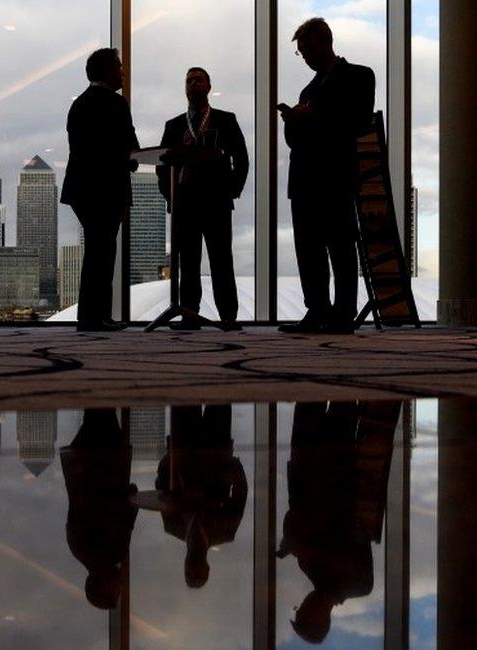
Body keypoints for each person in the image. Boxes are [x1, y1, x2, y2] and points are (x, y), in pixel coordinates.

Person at [279, 18, 375, 334]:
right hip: (304, 179)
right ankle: (317, 309)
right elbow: (295, 141)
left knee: (340, 247)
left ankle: (342, 314)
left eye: (307, 49)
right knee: (308, 251)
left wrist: (311, 115)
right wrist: (291, 122)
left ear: (326, 41)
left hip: (335, 176)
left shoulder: (359, 76)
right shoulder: (308, 89)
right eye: (301, 51)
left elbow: (359, 122)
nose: (304, 56)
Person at [277, 401, 398, 643]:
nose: (301, 605)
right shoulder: (358, 584)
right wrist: (299, 543)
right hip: (336, 470)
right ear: (316, 617)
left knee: (312, 399)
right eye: (302, 611)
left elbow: (296, 518)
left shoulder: (312, 568)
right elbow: (344, 540)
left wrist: (294, 540)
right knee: (337, 402)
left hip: (312, 469)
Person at [157, 68, 249, 331]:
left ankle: (228, 316)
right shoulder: (173, 125)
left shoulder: (225, 120)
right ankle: (189, 314)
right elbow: (163, 165)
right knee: (188, 262)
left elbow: (241, 157)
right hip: (184, 201)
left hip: (217, 200)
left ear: (209, 86)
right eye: (188, 81)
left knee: (221, 260)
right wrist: (169, 195)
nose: (193, 84)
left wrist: (232, 189)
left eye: (198, 80)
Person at [61, 48, 140, 332]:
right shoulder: (116, 104)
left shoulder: (79, 104)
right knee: (103, 252)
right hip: (106, 190)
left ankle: (91, 316)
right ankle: (96, 317)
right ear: (107, 70)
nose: (122, 71)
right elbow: (129, 148)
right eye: (119, 66)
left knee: (97, 250)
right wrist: (131, 160)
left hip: (82, 190)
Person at [154, 404, 247, 588]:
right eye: (197, 573)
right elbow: (240, 494)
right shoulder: (223, 531)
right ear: (207, 568)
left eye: (189, 573)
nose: (192, 568)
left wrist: (169, 459)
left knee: (191, 395)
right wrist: (232, 465)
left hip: (188, 445)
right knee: (218, 394)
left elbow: (161, 486)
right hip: (214, 447)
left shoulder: (173, 525)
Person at [60, 409, 138, 609]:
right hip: (82, 458)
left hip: (108, 461)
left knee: (104, 409)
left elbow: (127, 509)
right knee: (97, 411)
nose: (121, 585)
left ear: (105, 586)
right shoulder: (78, 550)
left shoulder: (115, 552)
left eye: (117, 589)